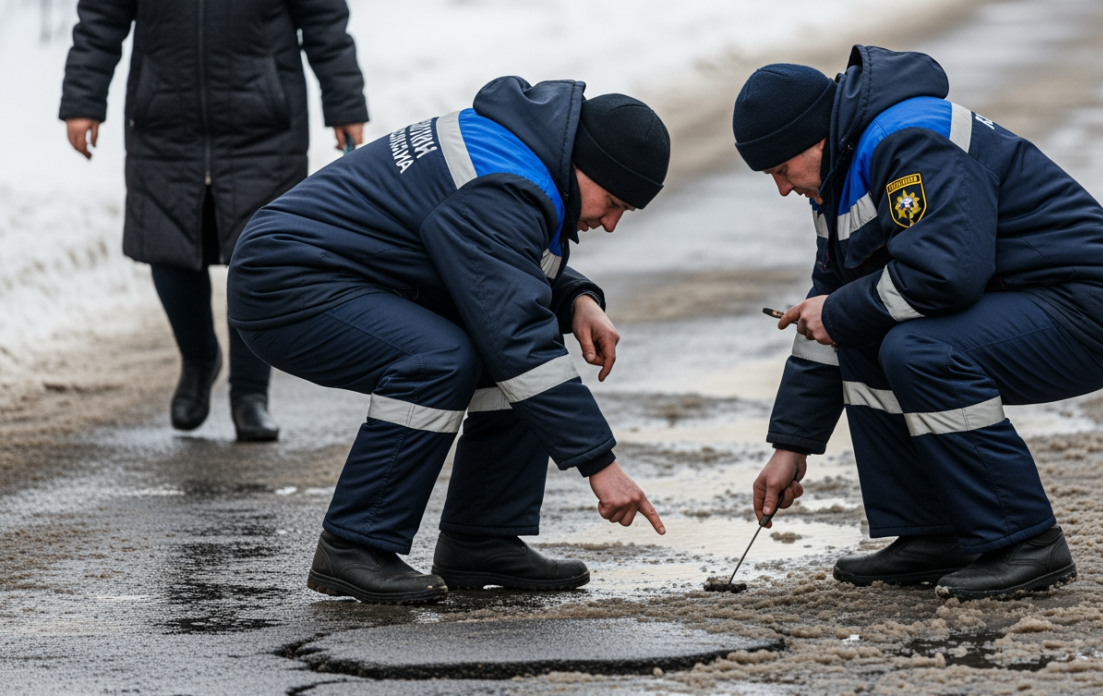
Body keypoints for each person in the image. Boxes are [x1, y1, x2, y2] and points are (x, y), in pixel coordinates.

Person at [225, 76, 671, 604]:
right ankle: (352, 546)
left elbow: (502, 270)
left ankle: (480, 539)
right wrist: (601, 466)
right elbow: (513, 327)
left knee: (502, 343)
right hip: (285, 280)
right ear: (585, 165)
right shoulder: (506, 183)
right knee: (440, 358)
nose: (612, 223)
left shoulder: (525, 152)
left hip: (344, 273)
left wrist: (575, 298)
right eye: (614, 201)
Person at [735, 46, 1103, 600]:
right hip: (1025, 300)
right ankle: (933, 532)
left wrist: (836, 310)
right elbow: (832, 308)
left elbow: (946, 275)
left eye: (781, 170)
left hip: (1091, 307)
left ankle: (1026, 542)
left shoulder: (905, 139)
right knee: (862, 327)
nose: (782, 188)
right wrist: (791, 446)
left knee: (920, 350)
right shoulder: (842, 169)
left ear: (813, 138)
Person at [59, 0, 368, 441]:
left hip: (263, 122)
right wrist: (83, 99)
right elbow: (101, 16)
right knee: (167, 246)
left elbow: (323, 17)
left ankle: (250, 394)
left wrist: (345, 103)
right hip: (164, 117)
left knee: (260, 257)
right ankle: (199, 358)